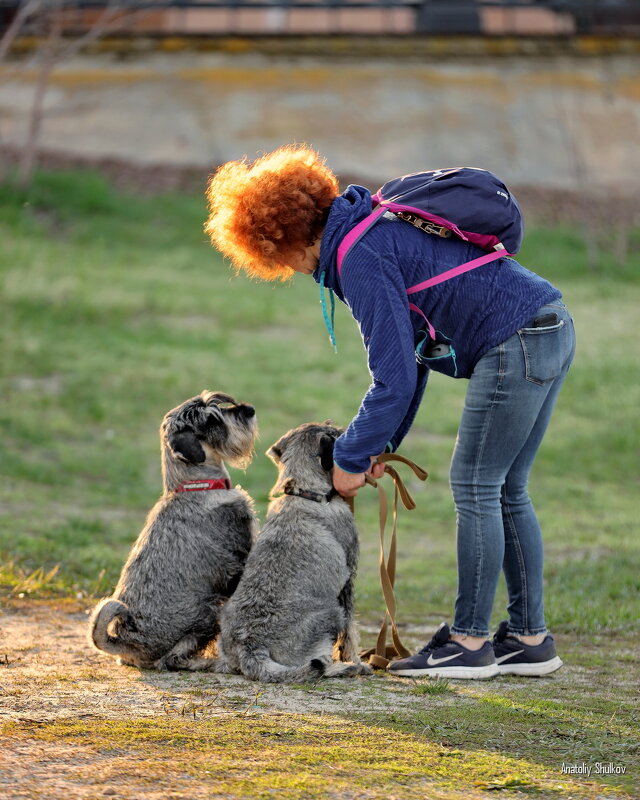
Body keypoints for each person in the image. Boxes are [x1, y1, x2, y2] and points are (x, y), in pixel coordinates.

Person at [205, 144, 576, 680]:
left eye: (278, 258)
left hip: (515, 339)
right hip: (547, 324)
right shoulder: (369, 227)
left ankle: (469, 644)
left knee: (475, 485)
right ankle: (528, 639)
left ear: (281, 236)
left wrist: (350, 458)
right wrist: (380, 446)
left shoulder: (359, 254)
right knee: (505, 488)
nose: (287, 270)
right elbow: (416, 359)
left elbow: (393, 376)